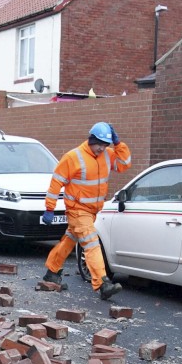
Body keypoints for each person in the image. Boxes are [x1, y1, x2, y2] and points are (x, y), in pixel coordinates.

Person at [41, 122, 131, 300]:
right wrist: (49, 208)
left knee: (69, 240)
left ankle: (52, 271)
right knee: (91, 243)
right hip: (77, 210)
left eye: (106, 145)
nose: (102, 148)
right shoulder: (73, 157)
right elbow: (56, 182)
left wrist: (118, 144)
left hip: (92, 211)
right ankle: (102, 283)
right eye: (99, 144)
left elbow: (124, 164)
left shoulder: (107, 155)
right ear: (91, 140)